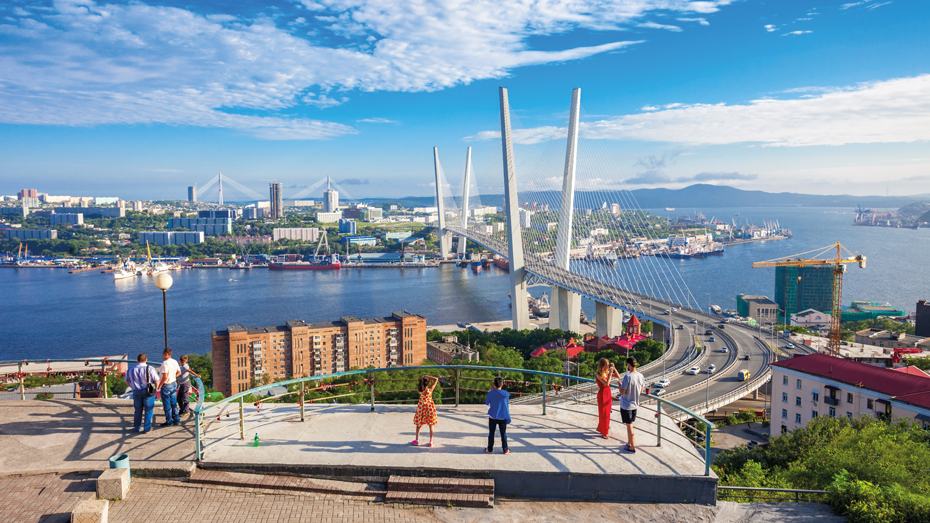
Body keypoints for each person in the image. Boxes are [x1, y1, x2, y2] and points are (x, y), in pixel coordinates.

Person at [617, 356, 646, 453]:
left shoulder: (627, 377)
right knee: (630, 425)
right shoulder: (641, 376)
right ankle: (629, 443)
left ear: (629, 365)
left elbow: (622, 392)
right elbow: (641, 390)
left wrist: (620, 385)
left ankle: (632, 447)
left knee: (629, 426)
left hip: (626, 405)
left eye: (627, 365)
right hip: (635, 404)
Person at [125, 353, 159, 433]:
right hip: (147, 392)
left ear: (137, 360)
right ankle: (147, 429)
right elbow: (156, 380)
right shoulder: (150, 368)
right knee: (148, 410)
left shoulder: (130, 369)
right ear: (146, 360)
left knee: (137, 410)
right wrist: (156, 389)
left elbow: (126, 380)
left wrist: (132, 386)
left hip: (136, 391)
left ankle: (137, 427)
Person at [484, 377, 511, 454]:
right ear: (502, 385)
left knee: (491, 433)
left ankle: (490, 449)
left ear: (493, 385)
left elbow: (486, 402)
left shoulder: (490, 393)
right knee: (503, 433)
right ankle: (505, 449)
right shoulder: (506, 394)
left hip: (493, 416)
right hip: (503, 417)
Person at [595, 358, 621, 439]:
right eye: (606, 364)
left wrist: (614, 368)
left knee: (607, 413)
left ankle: (601, 427)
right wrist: (610, 375)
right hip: (602, 394)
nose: (607, 366)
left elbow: (618, 376)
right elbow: (606, 383)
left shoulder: (607, 372)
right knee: (603, 413)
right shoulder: (598, 374)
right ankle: (604, 432)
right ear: (603, 365)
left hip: (608, 394)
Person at [157, 348, 182, 427]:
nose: (162, 356)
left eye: (163, 354)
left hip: (166, 385)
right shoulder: (175, 361)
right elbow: (179, 372)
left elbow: (164, 377)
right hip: (173, 383)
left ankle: (169, 421)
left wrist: (160, 385)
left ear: (166, 354)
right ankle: (177, 419)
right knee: (173, 403)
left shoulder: (165, 363)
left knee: (167, 404)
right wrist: (173, 376)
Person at [411, 375, 439, 447]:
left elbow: (421, 387)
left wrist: (422, 379)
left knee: (418, 424)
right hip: (429, 408)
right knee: (431, 425)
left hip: (421, 408)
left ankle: (416, 440)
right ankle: (431, 441)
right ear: (429, 383)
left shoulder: (419, 391)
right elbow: (436, 379)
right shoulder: (430, 390)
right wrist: (427, 376)